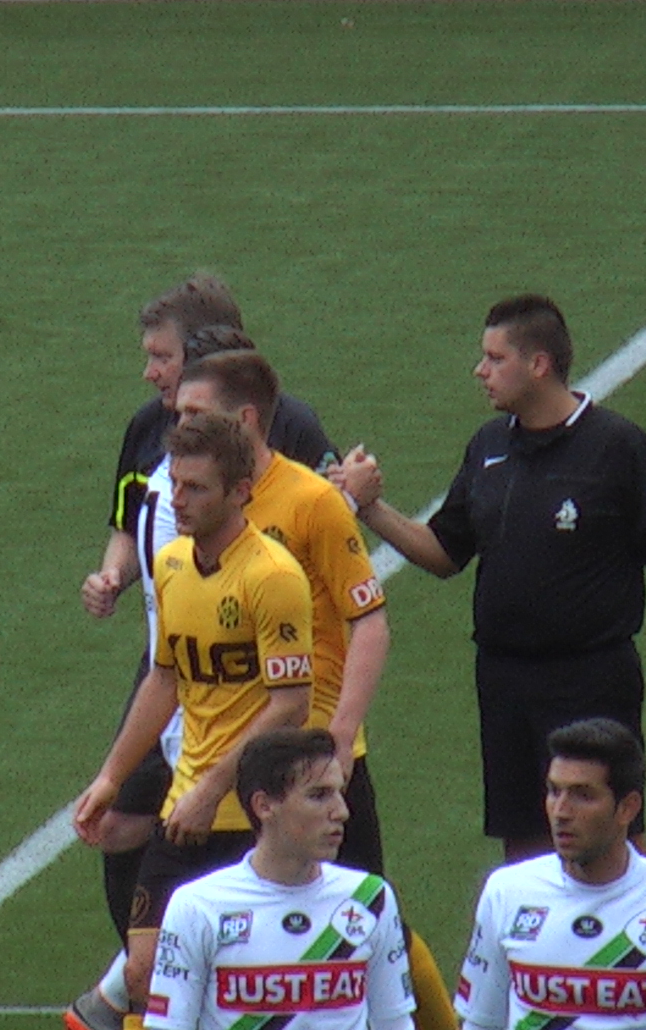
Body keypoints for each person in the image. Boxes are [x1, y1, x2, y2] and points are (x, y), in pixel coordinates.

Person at [331, 295, 646, 862]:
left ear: (539, 364)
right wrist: (369, 508)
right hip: (505, 681)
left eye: (495, 358)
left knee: (610, 836)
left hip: (590, 679)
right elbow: (444, 552)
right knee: (525, 843)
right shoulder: (489, 446)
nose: (480, 371)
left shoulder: (619, 448)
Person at [72, 276, 337, 1030]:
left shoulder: (273, 575)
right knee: (148, 968)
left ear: (237, 488)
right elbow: (164, 676)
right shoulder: (171, 564)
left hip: (246, 800)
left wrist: (215, 784)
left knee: (277, 954)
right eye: (173, 486)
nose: (174, 500)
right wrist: (110, 776)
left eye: (192, 488)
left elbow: (289, 701)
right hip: (188, 787)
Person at [176, 348, 457, 1030]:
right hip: (227, 755)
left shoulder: (309, 501)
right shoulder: (186, 497)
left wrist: (339, 737)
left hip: (312, 755)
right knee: (188, 935)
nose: (178, 423)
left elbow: (370, 619)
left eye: (195, 411)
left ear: (244, 420)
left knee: (370, 918)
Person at [454, 717, 646, 1030]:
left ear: (627, 808)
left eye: (583, 795)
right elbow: (481, 1023)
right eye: (554, 791)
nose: (561, 812)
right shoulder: (507, 892)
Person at [145, 728, 415, 1030]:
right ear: (264, 806)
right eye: (319, 795)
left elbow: (395, 1023)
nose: (341, 812)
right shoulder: (197, 906)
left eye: (340, 792)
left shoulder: (370, 898)